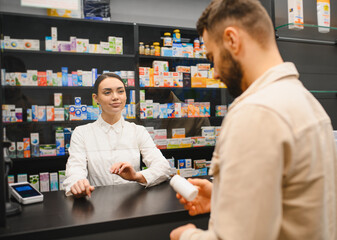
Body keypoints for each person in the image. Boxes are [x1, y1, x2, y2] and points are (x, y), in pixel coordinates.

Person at [170, 0, 337, 239]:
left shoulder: (256, 112)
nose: (215, 72)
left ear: (232, 40)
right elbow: (293, 205)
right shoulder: (308, 103)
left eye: (212, 56)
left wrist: (187, 236)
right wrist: (221, 197)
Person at [63, 73, 170, 197]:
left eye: (120, 91)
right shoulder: (82, 133)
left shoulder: (138, 131)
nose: (115, 97)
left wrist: (136, 176)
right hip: (98, 205)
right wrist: (78, 184)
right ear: (96, 98)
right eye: (107, 93)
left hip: (133, 203)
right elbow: (75, 170)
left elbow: (163, 167)